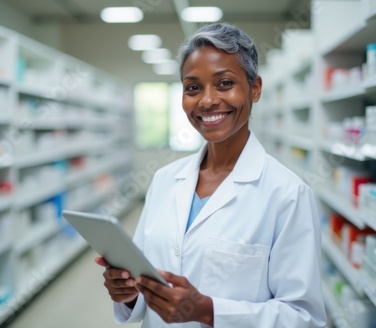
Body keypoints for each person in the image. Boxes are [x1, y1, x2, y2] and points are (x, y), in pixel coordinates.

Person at [95, 22, 327, 327]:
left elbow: (304, 318)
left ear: (255, 89)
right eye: (193, 87)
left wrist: (206, 311)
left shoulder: (287, 193)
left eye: (224, 83)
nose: (206, 100)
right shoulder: (165, 179)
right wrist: (128, 293)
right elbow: (146, 282)